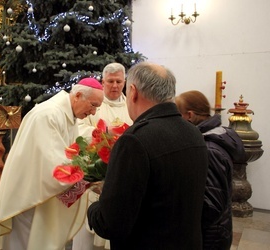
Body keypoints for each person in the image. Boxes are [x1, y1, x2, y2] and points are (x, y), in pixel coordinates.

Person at [87, 62, 209, 249]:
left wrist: (94, 207)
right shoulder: (193, 133)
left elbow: (109, 223)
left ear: (133, 92)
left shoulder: (134, 141)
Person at [0, 78, 104, 250]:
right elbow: (53, 166)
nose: (93, 112)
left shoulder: (69, 115)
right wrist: (89, 178)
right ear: (78, 95)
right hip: (29, 200)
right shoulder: (48, 115)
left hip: (41, 196)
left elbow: (68, 155)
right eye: (93, 105)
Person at [73, 62, 133, 250]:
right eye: (110, 81)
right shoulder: (93, 103)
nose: (115, 86)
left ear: (125, 82)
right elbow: (79, 129)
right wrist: (106, 135)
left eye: (118, 81)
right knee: (86, 236)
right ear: (103, 81)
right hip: (93, 177)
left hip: (121, 177)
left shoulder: (131, 105)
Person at [175, 90, 245, 250]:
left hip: (210, 237)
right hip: (213, 232)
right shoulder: (209, 140)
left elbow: (212, 204)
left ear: (189, 116)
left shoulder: (208, 149)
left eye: (178, 114)